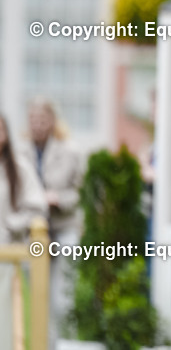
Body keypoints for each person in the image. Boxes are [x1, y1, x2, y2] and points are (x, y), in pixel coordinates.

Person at [19, 98, 83, 345]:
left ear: (53, 120)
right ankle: (44, 344)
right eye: (33, 120)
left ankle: (65, 343)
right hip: (32, 231)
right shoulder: (19, 151)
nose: (38, 125)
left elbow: (80, 192)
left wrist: (59, 198)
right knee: (38, 295)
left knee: (62, 297)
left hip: (62, 228)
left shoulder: (70, 151)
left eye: (43, 119)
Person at [0, 112, 47, 350]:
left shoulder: (19, 168)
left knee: (8, 319)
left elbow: (38, 206)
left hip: (9, 256)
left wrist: (13, 224)